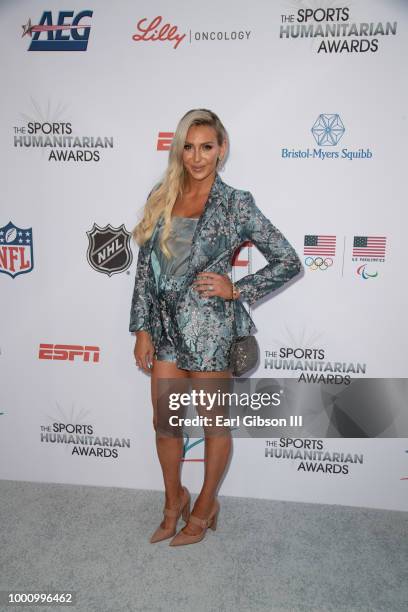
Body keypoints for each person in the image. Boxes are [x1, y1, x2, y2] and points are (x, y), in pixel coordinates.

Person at [129, 108, 303, 546]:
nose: (197, 156)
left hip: (211, 332)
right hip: (165, 330)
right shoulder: (163, 194)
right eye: (188, 146)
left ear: (222, 149)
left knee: (213, 426)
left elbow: (288, 260)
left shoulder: (236, 202)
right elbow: (146, 272)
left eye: (207, 146)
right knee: (165, 424)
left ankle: (206, 505)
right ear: (179, 150)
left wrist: (237, 289)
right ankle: (174, 501)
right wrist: (142, 329)